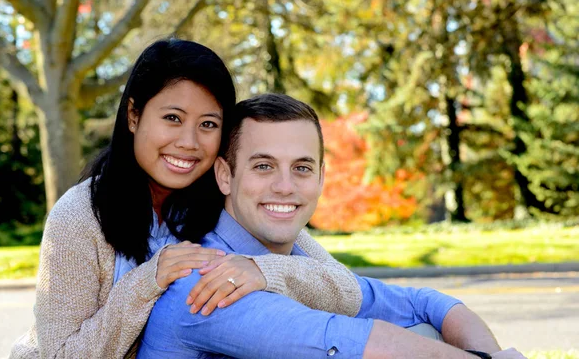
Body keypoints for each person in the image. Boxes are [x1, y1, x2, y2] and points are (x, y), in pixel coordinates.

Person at [9, 40, 367, 359]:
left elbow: (343, 286)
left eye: (208, 124)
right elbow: (59, 356)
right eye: (172, 118)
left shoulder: (228, 197)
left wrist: (264, 270)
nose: (189, 142)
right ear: (134, 115)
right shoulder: (80, 216)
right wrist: (150, 280)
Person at [138, 94, 527, 359]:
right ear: (225, 175)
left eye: (302, 168)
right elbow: (347, 343)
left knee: (424, 329)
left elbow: (427, 302)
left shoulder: (306, 268)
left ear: (321, 178)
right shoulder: (203, 280)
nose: (285, 186)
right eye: (263, 166)